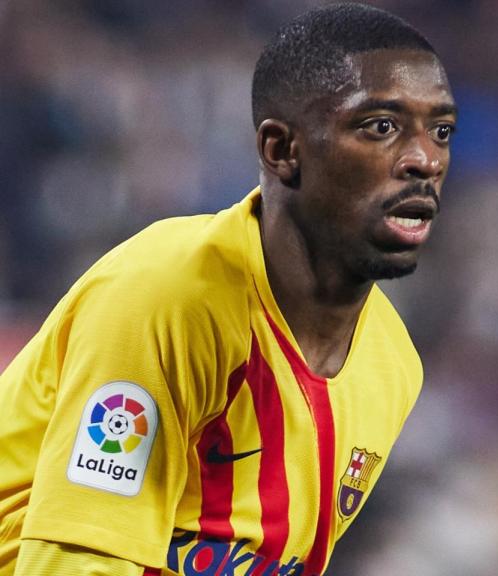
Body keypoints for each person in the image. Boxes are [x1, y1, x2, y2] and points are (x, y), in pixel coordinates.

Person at [0, 3, 457, 575]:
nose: (424, 160)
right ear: (281, 150)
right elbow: (67, 565)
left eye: (441, 131)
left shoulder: (391, 365)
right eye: (381, 127)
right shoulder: (170, 295)